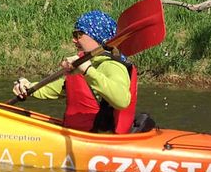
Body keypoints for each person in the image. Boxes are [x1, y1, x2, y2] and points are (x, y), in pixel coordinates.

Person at [11, 9, 139, 133]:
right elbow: (55, 88)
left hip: (100, 142)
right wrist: (28, 87)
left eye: (79, 35)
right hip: (80, 135)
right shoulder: (86, 64)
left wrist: (88, 70)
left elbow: (122, 101)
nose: (74, 40)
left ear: (97, 36)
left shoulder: (112, 65)